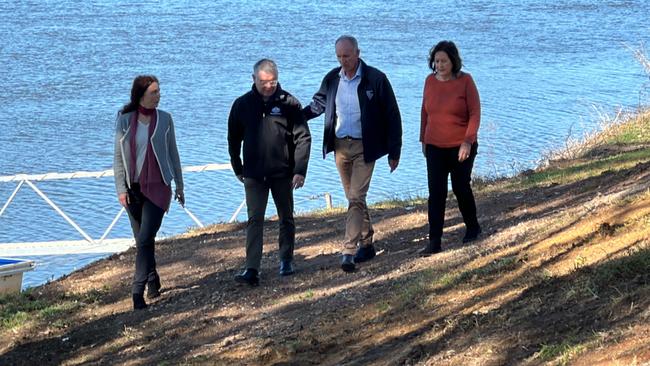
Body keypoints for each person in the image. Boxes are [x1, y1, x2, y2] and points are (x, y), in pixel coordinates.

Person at [303, 35, 402, 273]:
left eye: (347, 55)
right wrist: (295, 116)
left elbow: (392, 115)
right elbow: (318, 105)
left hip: (364, 148)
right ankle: (367, 243)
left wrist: (394, 150)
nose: (343, 60)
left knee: (356, 197)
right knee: (353, 198)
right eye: (339, 56)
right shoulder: (331, 79)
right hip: (340, 146)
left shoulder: (375, 79)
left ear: (358, 52)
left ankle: (349, 250)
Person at [228, 58, 311, 286]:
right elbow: (233, 138)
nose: (268, 86)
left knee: (286, 217)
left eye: (273, 81)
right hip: (254, 173)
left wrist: (300, 169)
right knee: (255, 219)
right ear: (253, 79)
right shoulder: (242, 105)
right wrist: (237, 166)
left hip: (283, 172)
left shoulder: (289, 103)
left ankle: (286, 260)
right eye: (264, 82)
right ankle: (252, 268)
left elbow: (303, 137)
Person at [113, 75, 185, 310]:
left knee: (145, 239)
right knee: (142, 240)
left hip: (159, 186)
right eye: (154, 92)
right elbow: (118, 159)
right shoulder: (124, 120)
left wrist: (180, 186)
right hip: (133, 190)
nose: (158, 96)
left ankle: (137, 291)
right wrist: (121, 190)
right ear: (141, 94)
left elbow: (173, 153)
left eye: (159, 91)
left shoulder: (165, 119)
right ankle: (153, 281)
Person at [419, 40, 481, 256]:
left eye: (443, 61)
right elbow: (425, 111)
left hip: (460, 145)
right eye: (436, 61)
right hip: (434, 145)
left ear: (453, 61)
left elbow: (475, 113)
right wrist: (423, 139)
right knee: (436, 193)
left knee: (460, 186)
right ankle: (434, 241)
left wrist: (468, 141)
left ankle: (473, 228)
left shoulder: (465, 81)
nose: (439, 65)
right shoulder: (429, 81)